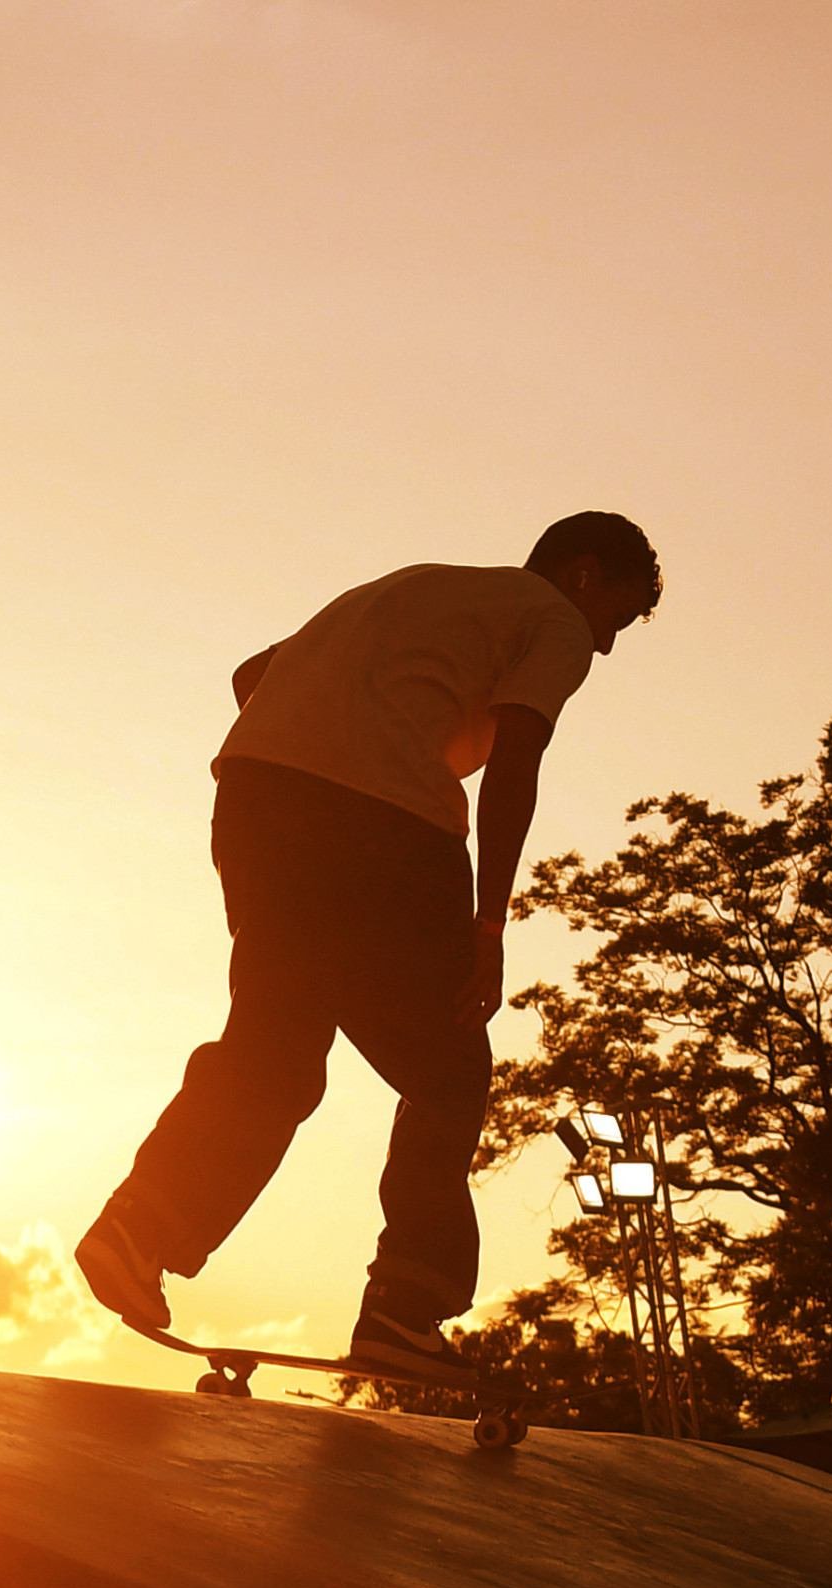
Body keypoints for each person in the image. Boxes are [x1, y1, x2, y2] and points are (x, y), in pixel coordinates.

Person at [74, 514, 664, 1374]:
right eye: (619, 613)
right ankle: (404, 1305)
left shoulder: (415, 585)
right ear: (582, 577)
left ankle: (139, 1229)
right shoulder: (554, 620)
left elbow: (253, 675)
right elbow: (516, 762)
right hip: (385, 828)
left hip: (256, 797)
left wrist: (334, 742)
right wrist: (489, 923)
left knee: (276, 1039)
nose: (606, 646)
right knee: (448, 1071)